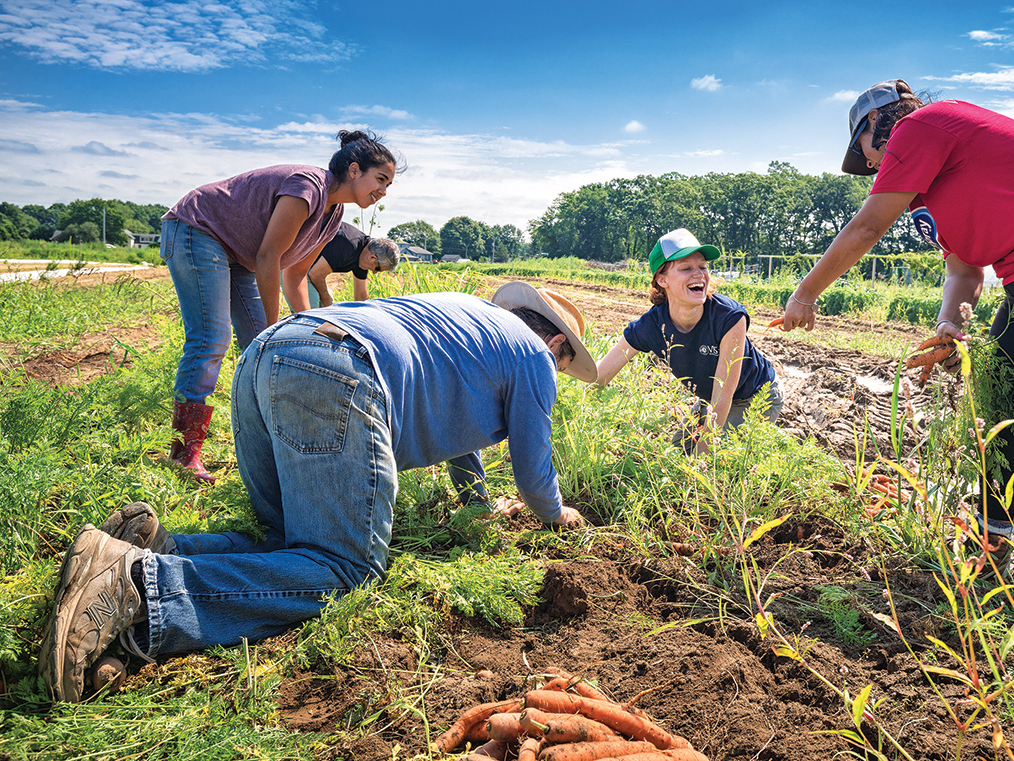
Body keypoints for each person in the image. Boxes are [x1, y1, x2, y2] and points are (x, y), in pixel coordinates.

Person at [37, 282, 597, 703]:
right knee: (345, 568)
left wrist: (474, 502)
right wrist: (556, 514)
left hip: (269, 354)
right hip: (338, 374)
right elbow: (533, 469)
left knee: (292, 541)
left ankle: (162, 549)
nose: (558, 375)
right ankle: (140, 588)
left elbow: (460, 430)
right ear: (555, 343)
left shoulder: (471, 322)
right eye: (563, 365)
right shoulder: (535, 357)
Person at [780, 79, 1014, 603]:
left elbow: (867, 228)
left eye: (863, 151)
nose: (869, 164)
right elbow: (964, 272)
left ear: (877, 123)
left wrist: (805, 294)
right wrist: (949, 330)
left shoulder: (922, 126)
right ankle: (990, 547)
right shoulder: (934, 192)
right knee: (999, 406)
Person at [159, 130, 402, 484]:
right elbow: (269, 256)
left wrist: (301, 325)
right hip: (199, 230)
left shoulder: (333, 215)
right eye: (380, 180)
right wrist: (272, 330)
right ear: (354, 170)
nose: (383, 191)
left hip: (238, 255)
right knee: (212, 338)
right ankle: (184, 453)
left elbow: (295, 272)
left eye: (388, 185)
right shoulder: (308, 188)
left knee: (263, 351)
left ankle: (263, 446)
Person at [597, 229, 784, 452]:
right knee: (678, 452)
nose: (699, 274)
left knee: (718, 459)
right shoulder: (652, 325)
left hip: (755, 396)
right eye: (686, 268)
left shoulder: (729, 318)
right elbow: (600, 376)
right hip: (708, 398)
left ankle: (773, 446)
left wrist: (700, 459)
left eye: (703, 267)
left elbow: (722, 396)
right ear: (662, 279)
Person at [286, 222, 402, 311]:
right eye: (378, 269)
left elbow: (361, 298)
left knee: (326, 305)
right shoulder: (349, 245)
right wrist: (326, 301)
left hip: (308, 267)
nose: (374, 272)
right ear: (373, 258)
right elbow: (315, 275)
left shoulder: (363, 257)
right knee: (312, 307)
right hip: (293, 260)